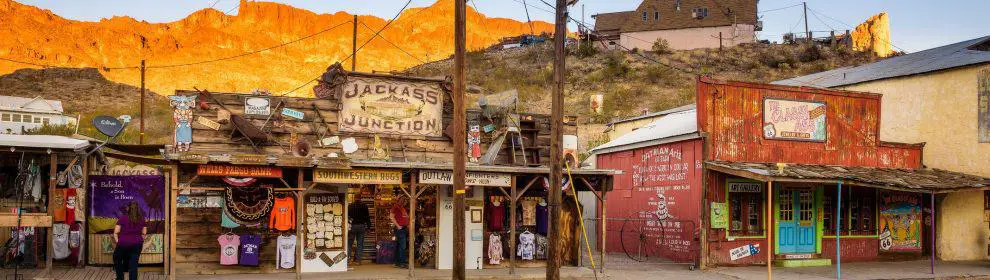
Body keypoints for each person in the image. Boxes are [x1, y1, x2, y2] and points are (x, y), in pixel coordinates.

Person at [113, 202, 147, 280]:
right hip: (137, 244)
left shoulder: (123, 218)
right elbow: (144, 233)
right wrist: (140, 240)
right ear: (138, 209)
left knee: (117, 259)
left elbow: (116, 232)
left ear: (128, 208)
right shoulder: (142, 219)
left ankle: (120, 278)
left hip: (123, 243)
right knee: (133, 264)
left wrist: (118, 241)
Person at [347, 193, 370, 265]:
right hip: (361, 226)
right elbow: (367, 217)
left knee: (349, 243)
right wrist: (369, 227)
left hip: (352, 226)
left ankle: (348, 260)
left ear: (354, 198)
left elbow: (348, 217)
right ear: (361, 198)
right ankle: (358, 260)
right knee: (360, 244)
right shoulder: (365, 206)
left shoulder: (350, 206)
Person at [389, 196, 409, 268]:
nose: (404, 201)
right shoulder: (395, 207)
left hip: (403, 228)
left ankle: (397, 262)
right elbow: (391, 217)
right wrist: (398, 226)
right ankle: (401, 263)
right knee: (402, 246)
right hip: (400, 229)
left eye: (405, 200)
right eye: (403, 200)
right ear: (399, 200)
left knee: (399, 246)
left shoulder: (402, 208)